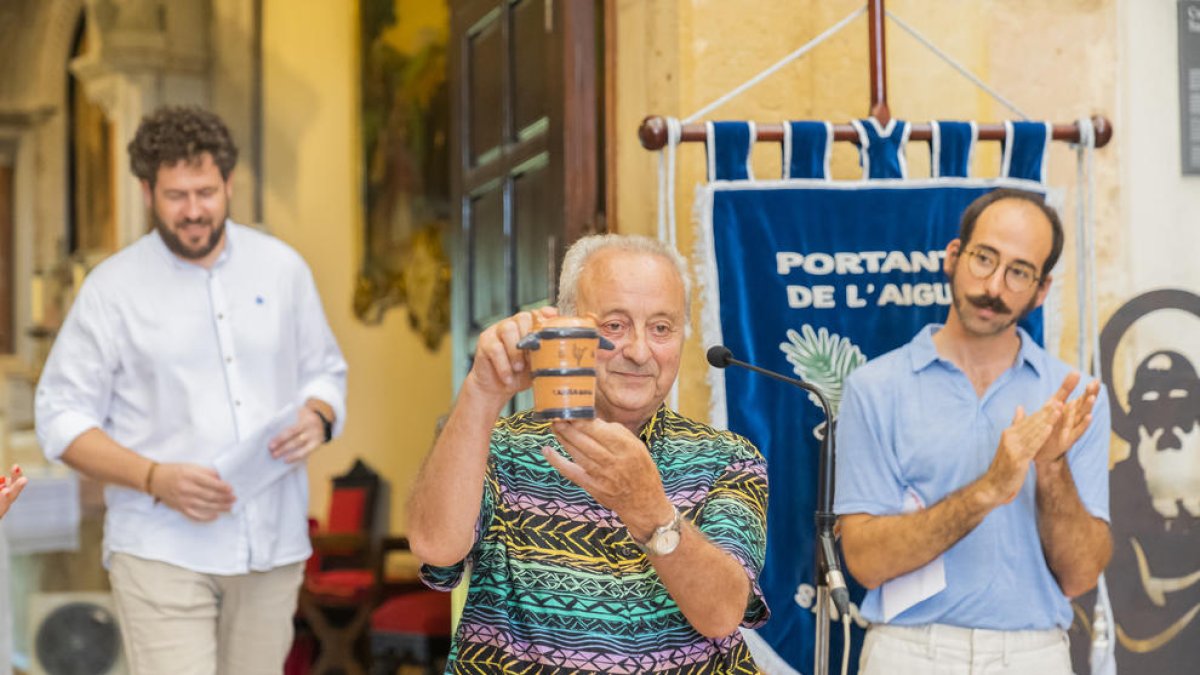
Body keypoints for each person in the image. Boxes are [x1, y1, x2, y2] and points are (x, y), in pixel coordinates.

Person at [35, 106, 347, 675]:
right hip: (160, 548)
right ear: (147, 191)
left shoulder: (283, 270)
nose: (194, 211)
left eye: (206, 192)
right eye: (176, 196)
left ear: (229, 183)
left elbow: (325, 371)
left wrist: (319, 415)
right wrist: (155, 478)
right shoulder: (111, 290)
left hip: (271, 546)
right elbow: (60, 418)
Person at [407, 234, 769, 673]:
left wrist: (648, 508)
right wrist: (481, 392)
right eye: (613, 326)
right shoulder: (501, 447)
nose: (638, 352)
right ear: (567, 328)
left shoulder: (727, 458)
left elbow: (720, 615)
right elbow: (434, 546)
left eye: (661, 328)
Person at [835, 188, 1112, 675]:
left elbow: (1081, 574)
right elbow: (865, 562)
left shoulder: (1074, 396)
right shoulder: (874, 388)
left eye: (1019, 272)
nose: (995, 286)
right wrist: (989, 489)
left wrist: (1050, 465)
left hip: (1034, 654)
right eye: (984, 258)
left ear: (1041, 290)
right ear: (954, 256)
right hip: (908, 651)